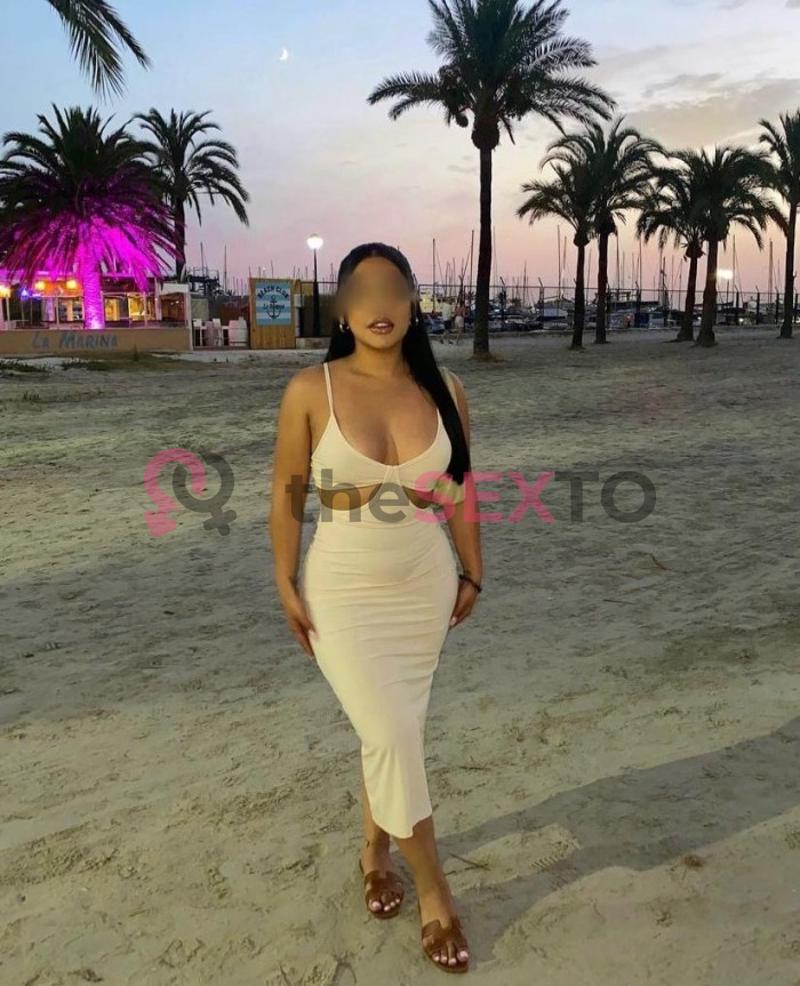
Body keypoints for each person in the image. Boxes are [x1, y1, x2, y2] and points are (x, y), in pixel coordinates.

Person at [269, 242, 482, 973]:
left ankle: (373, 852)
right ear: (342, 310)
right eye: (362, 293)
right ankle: (436, 892)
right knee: (390, 730)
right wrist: (284, 581)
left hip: (423, 585)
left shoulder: (446, 389)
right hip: (342, 591)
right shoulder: (311, 390)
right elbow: (287, 494)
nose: (379, 306)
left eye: (394, 290)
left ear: (414, 302)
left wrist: (474, 571)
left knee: (389, 732)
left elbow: (456, 490)